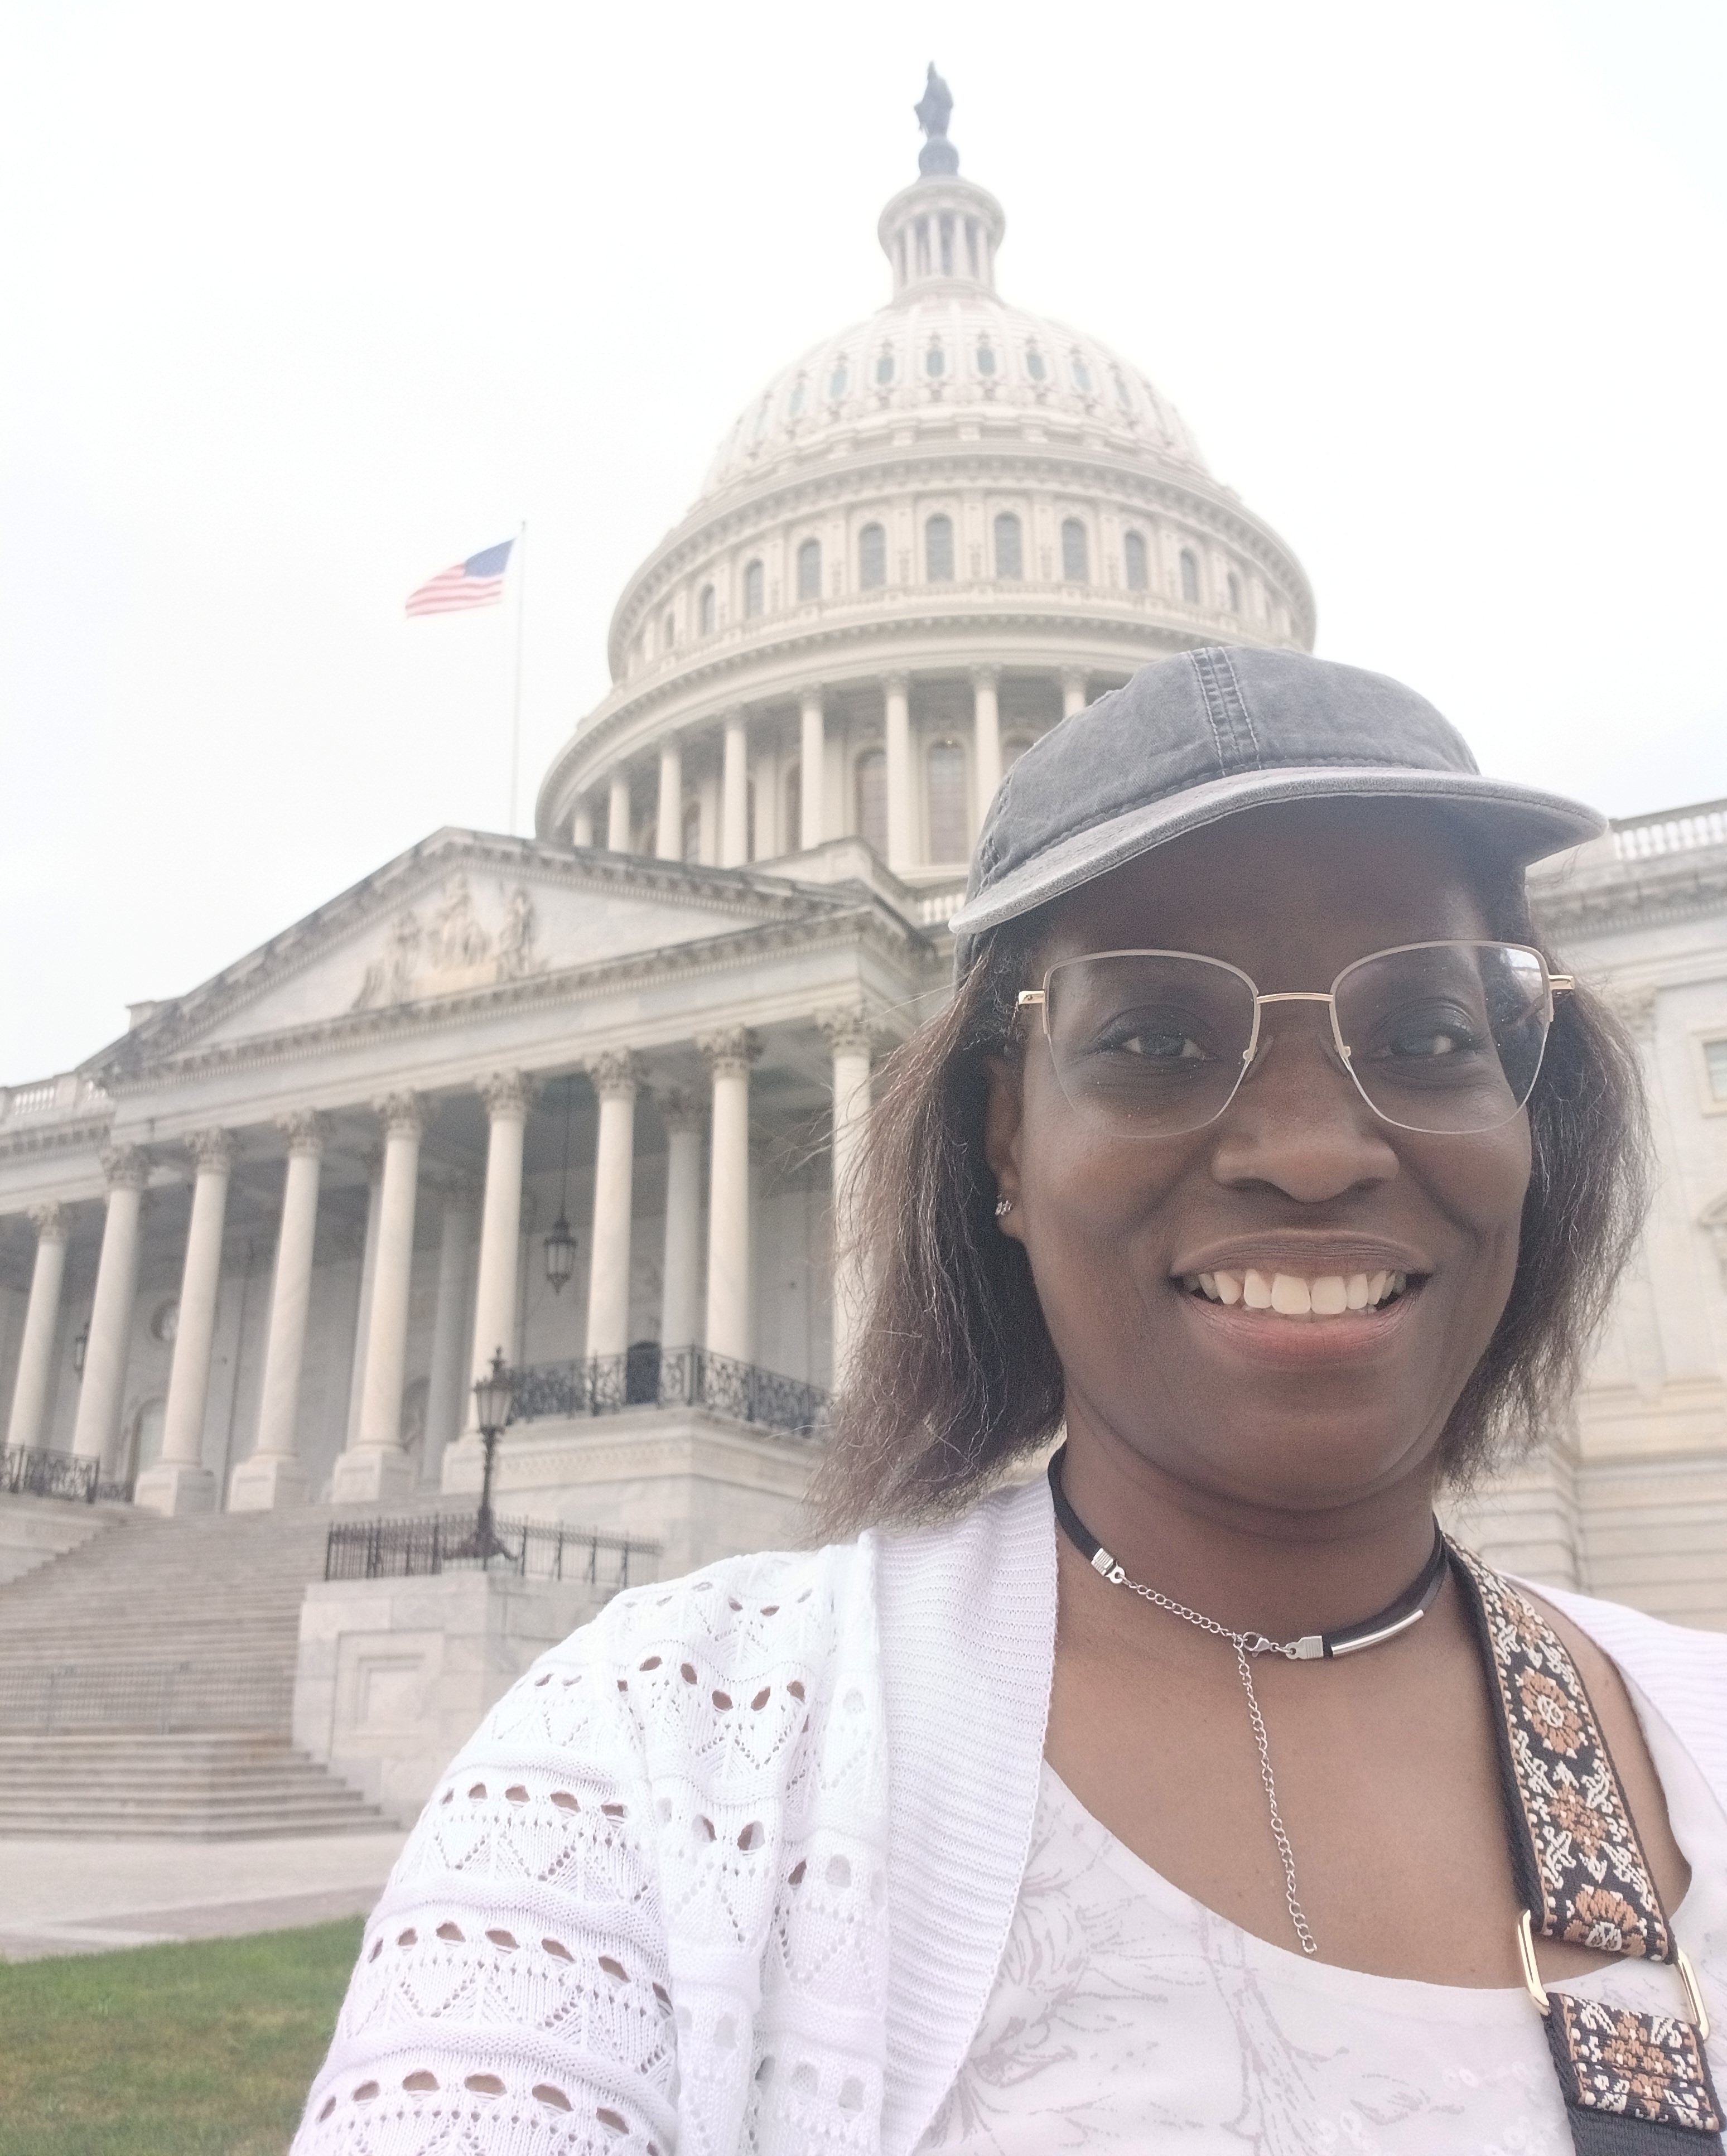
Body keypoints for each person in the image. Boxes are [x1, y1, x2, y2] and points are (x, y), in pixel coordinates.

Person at [295, 647, 1727, 2155]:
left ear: (1530, 1104)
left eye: (1428, 1036)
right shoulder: (659, 1762)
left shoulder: (1693, 1735)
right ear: (1004, 1140)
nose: (1314, 1152)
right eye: (1156, 1039)